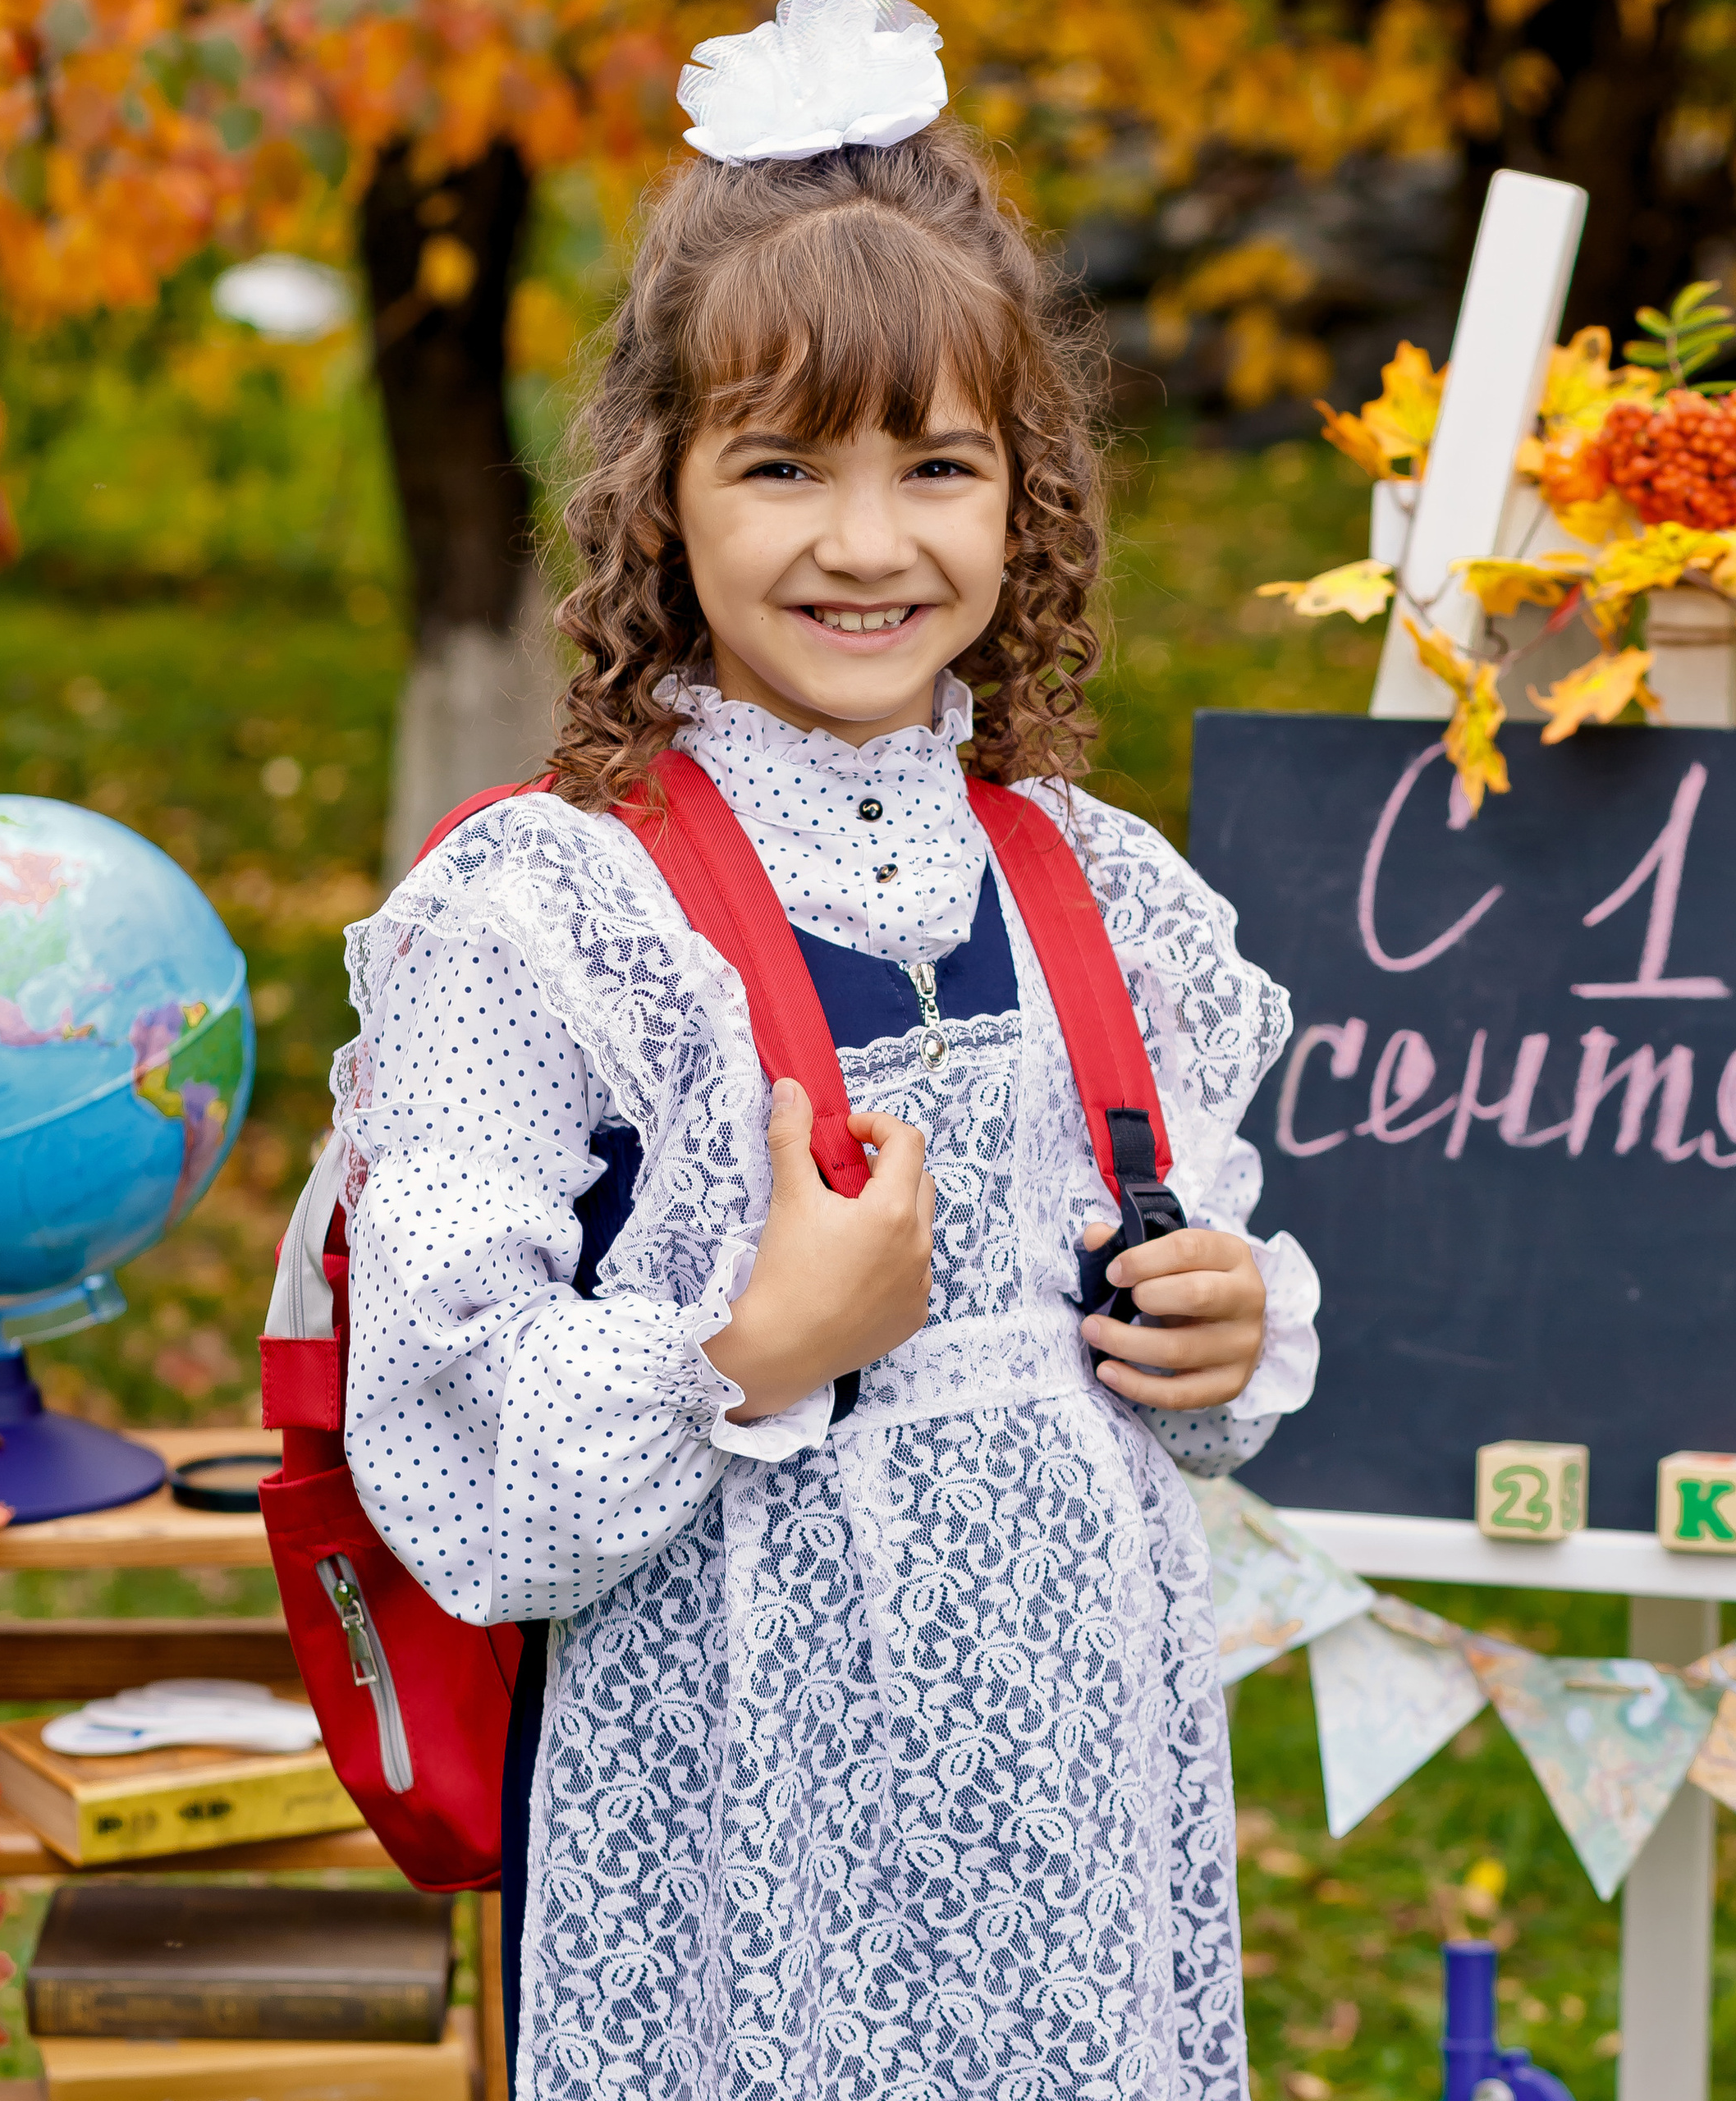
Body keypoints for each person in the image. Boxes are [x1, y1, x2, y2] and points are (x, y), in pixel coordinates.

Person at [334, 2, 1320, 2093]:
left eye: (934, 466)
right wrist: (747, 1345)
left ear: (1020, 495)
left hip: (1078, 1823)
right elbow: (447, 1428)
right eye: (780, 464)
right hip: (736, 1823)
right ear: (655, 491)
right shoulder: (554, 914)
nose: (864, 545)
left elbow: (1209, 1276)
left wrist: (1226, 1322)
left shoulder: (1101, 892)